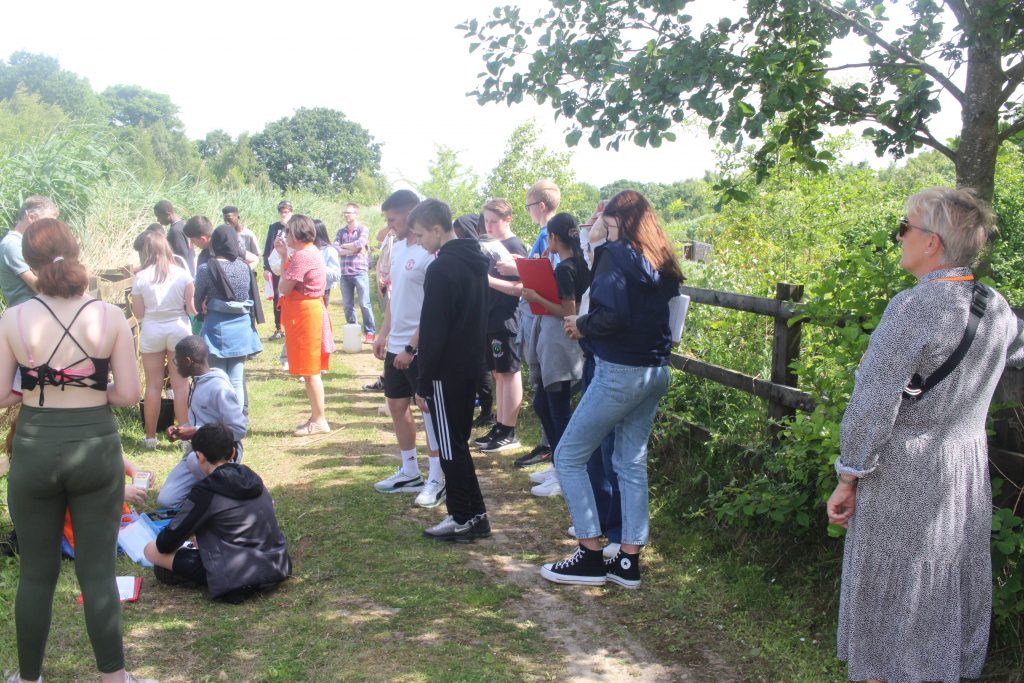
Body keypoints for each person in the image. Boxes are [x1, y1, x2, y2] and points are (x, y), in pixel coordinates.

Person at [826, 187, 1024, 683]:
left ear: (931, 242)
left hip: (906, 469)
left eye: (904, 228)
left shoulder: (915, 307)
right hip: (963, 470)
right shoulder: (995, 307)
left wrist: (849, 475)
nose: (899, 237)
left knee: (891, 595)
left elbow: (874, 401)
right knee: (942, 586)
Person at [0, 218, 153, 683]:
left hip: (34, 447)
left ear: (28, 263)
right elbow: (128, 394)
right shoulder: (107, 316)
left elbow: (2, 394)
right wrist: (92, 391)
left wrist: (32, 388)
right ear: (77, 252)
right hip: (95, 446)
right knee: (98, 570)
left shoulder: (14, 317)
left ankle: (28, 679)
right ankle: (114, 677)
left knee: (36, 574)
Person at [540, 190, 682, 589]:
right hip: (655, 371)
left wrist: (581, 324)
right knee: (630, 462)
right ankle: (627, 561)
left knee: (568, 456)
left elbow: (613, 316)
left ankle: (588, 554)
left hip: (620, 371)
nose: (595, 218)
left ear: (617, 217)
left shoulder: (615, 255)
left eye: (602, 213)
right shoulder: (662, 259)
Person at [411, 200, 492, 542]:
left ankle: (463, 516)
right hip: (471, 363)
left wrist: (422, 379)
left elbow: (433, 330)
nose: (417, 241)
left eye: (419, 235)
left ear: (436, 229)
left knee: (449, 446)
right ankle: (475, 515)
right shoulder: (475, 260)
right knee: (456, 443)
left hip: (447, 370)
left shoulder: (442, 268)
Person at [144, 424, 290, 603]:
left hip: (235, 576)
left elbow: (166, 542)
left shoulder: (206, 491)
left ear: (200, 457)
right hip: (277, 564)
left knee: (150, 550)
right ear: (233, 453)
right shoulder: (252, 477)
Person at [371, 190, 445, 509]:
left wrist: (412, 349)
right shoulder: (398, 248)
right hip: (395, 346)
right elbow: (395, 298)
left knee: (428, 409)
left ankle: (437, 478)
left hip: (419, 347)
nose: (389, 226)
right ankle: (410, 470)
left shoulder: (432, 253)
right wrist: (382, 334)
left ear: (411, 213)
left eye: (392, 219)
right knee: (396, 406)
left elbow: (433, 308)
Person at [491, 180, 562, 457]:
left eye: (529, 206)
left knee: (547, 389)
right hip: (537, 316)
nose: (528, 211)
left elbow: (549, 278)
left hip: (545, 317)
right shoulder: (544, 234)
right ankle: (548, 447)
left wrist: (516, 266)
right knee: (542, 388)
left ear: (541, 206)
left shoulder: (549, 235)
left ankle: (549, 449)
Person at [521, 213, 589, 497]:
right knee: (543, 404)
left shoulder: (564, 269)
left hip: (563, 346)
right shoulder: (582, 264)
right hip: (566, 345)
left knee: (557, 409)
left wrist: (537, 298)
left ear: (553, 238)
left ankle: (565, 472)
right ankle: (559, 464)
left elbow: (568, 312)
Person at [156, 335, 248, 509]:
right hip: (197, 452)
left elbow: (238, 429)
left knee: (193, 462)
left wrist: (196, 431)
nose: (174, 364)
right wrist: (181, 430)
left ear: (188, 361)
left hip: (221, 454)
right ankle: (208, 495)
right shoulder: (197, 382)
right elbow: (202, 422)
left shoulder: (218, 387)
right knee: (166, 502)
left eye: (176, 360)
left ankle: (228, 497)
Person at [473, 200, 529, 455]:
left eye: (495, 221)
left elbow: (522, 288)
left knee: (509, 372)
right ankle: (500, 425)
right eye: (486, 221)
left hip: (507, 318)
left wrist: (489, 281)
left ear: (508, 220)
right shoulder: (489, 244)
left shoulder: (515, 247)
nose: (490, 226)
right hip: (490, 317)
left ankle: (509, 430)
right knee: (498, 373)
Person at [131, 230, 196, 448]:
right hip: (178, 327)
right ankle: (185, 436)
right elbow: (190, 307)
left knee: (152, 386)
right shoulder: (183, 274)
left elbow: (139, 313)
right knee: (181, 386)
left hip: (152, 328)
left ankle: (150, 437)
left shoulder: (140, 278)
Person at [275, 214, 333, 436]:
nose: (286, 235)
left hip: (306, 314)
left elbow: (284, 286)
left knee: (310, 370)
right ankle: (316, 416)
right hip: (306, 312)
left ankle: (319, 420)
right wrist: (283, 256)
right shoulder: (308, 252)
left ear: (296, 233)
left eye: (288, 231)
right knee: (309, 370)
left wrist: (285, 262)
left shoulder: (303, 256)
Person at [193, 223, 263, 409]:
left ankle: (223, 422)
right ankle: (236, 422)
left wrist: (204, 304)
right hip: (241, 328)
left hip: (216, 329)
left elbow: (197, 301)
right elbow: (243, 296)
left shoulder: (205, 269)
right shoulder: (244, 268)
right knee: (237, 380)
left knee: (219, 380)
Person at [0, 196, 57, 308]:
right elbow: (39, 287)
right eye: (47, 223)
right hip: (27, 315)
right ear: (31, 217)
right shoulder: (12, 244)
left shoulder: (29, 243)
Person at [333, 202, 376, 343]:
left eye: (349, 212)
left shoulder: (363, 229)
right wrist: (351, 249)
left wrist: (346, 248)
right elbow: (335, 248)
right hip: (345, 272)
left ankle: (370, 332)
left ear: (356, 214)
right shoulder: (341, 232)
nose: (346, 215)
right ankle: (353, 331)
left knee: (364, 303)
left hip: (359, 271)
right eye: (345, 212)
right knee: (347, 305)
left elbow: (361, 243)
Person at [262, 200, 293, 341]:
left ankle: (291, 325)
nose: (283, 214)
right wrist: (266, 268)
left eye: (285, 212)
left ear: (291, 212)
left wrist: (288, 227)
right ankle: (278, 327)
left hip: (291, 266)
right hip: (276, 266)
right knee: (277, 296)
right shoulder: (274, 227)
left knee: (290, 296)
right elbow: (268, 248)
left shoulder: (295, 226)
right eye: (281, 212)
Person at [154, 199, 195, 276]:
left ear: (167, 214)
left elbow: (181, 258)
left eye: (159, 216)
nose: (158, 220)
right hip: (191, 271)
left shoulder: (175, 231)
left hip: (183, 275)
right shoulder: (183, 225)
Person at [315, 219, 342, 306]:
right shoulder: (306, 248)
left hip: (322, 292)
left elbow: (336, 275)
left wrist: (320, 266)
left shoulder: (329, 250)